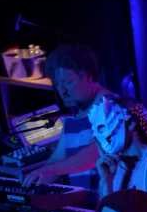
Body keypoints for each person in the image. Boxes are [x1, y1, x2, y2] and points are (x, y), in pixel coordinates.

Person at [23, 44, 106, 190]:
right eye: (57, 84)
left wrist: (51, 170)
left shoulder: (111, 107)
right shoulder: (74, 118)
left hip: (111, 203)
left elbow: (95, 153)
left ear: (89, 76)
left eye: (68, 82)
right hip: (84, 202)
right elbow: (58, 160)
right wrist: (34, 176)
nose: (62, 91)